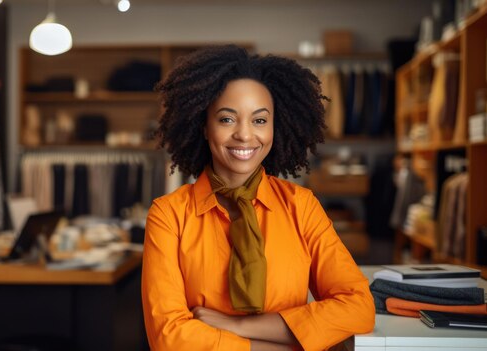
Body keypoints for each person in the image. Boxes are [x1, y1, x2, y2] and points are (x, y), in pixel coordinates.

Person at [141, 45, 375, 351]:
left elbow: (358, 308)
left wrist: (236, 326)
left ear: (276, 127)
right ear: (204, 127)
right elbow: (169, 338)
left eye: (260, 120)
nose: (245, 135)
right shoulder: (169, 215)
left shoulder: (301, 206)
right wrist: (280, 346)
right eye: (227, 119)